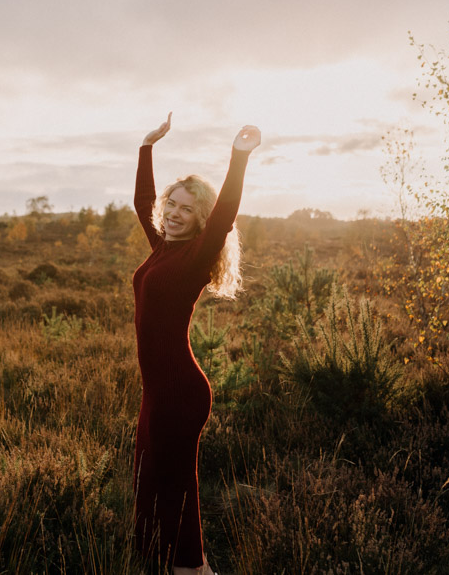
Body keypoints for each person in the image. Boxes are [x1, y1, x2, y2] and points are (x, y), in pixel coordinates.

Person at [132, 112, 260, 574]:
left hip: (179, 392)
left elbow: (226, 214)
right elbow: (142, 200)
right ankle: (167, 563)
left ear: (201, 219)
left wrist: (238, 157)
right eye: (172, 204)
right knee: (150, 480)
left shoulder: (194, 256)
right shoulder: (163, 245)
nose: (173, 213)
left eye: (187, 209)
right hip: (157, 393)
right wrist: (147, 147)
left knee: (176, 485)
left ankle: (195, 568)